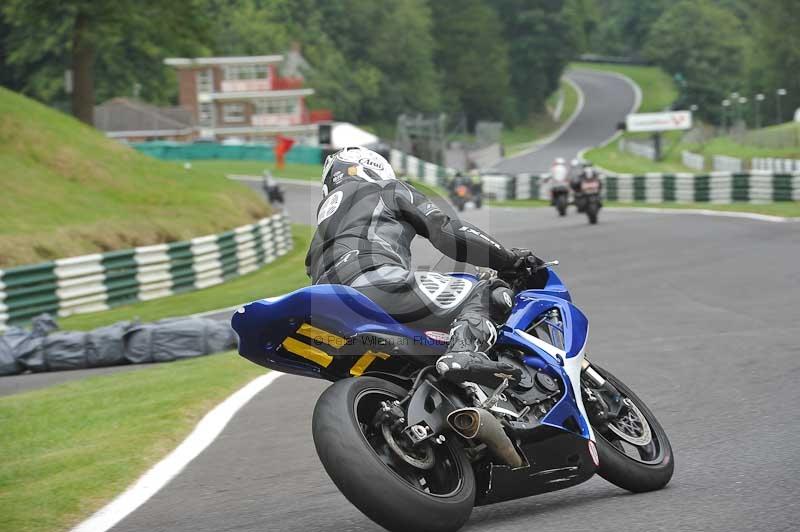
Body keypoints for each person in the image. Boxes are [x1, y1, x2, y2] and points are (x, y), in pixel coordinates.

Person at [305, 147, 543, 388]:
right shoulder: (386, 188)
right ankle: (463, 352)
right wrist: (509, 260)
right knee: (487, 291)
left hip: (328, 314)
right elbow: (447, 232)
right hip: (377, 285)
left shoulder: (318, 236)